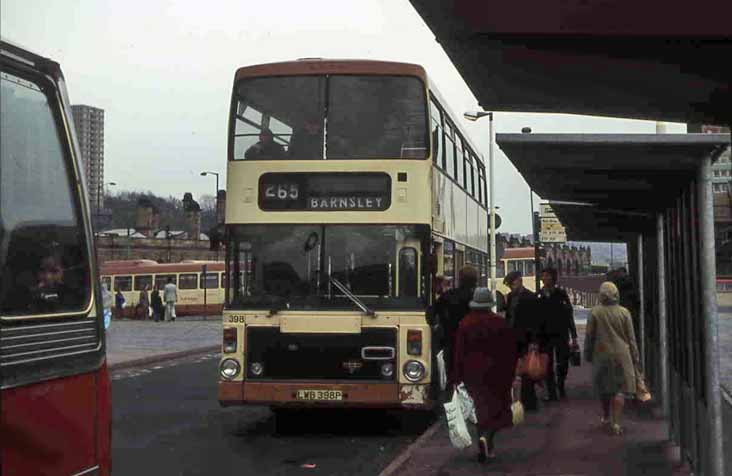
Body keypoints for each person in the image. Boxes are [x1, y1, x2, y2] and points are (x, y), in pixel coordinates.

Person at [453, 287, 520, 462]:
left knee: (479, 408)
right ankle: (487, 439)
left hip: (472, 373)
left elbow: (459, 352)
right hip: (497, 373)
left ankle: (484, 443)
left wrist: (456, 376)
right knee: (499, 409)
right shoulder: (500, 323)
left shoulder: (465, 324)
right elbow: (510, 351)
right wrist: (512, 373)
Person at [584, 281, 641, 435]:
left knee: (604, 388)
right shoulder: (624, 312)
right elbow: (631, 338)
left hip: (601, 355)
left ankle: (605, 415)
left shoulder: (595, 312)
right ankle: (616, 423)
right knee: (620, 390)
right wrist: (635, 356)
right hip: (622, 355)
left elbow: (589, 336)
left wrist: (587, 353)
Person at [503, 270, 542, 411]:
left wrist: (534, 341)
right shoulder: (509, 297)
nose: (511, 288)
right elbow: (508, 318)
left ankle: (529, 401)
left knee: (527, 371)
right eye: (509, 286)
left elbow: (535, 321)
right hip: (512, 338)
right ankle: (515, 402)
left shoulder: (530, 297)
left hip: (526, 338)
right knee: (513, 370)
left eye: (512, 284)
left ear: (519, 281)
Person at [538, 267, 578, 401]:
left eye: (547, 276)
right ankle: (551, 391)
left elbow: (569, 315)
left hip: (561, 333)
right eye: (542, 276)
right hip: (545, 335)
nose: (544, 278)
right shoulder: (539, 295)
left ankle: (560, 385)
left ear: (553, 278)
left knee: (563, 361)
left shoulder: (561, 294)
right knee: (547, 363)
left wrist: (574, 336)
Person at [438, 267, 478, 387]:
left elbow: (432, 313)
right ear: (475, 280)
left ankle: (454, 396)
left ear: (459, 279)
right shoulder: (477, 297)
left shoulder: (449, 296)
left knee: (453, 376)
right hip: (472, 344)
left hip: (451, 342)